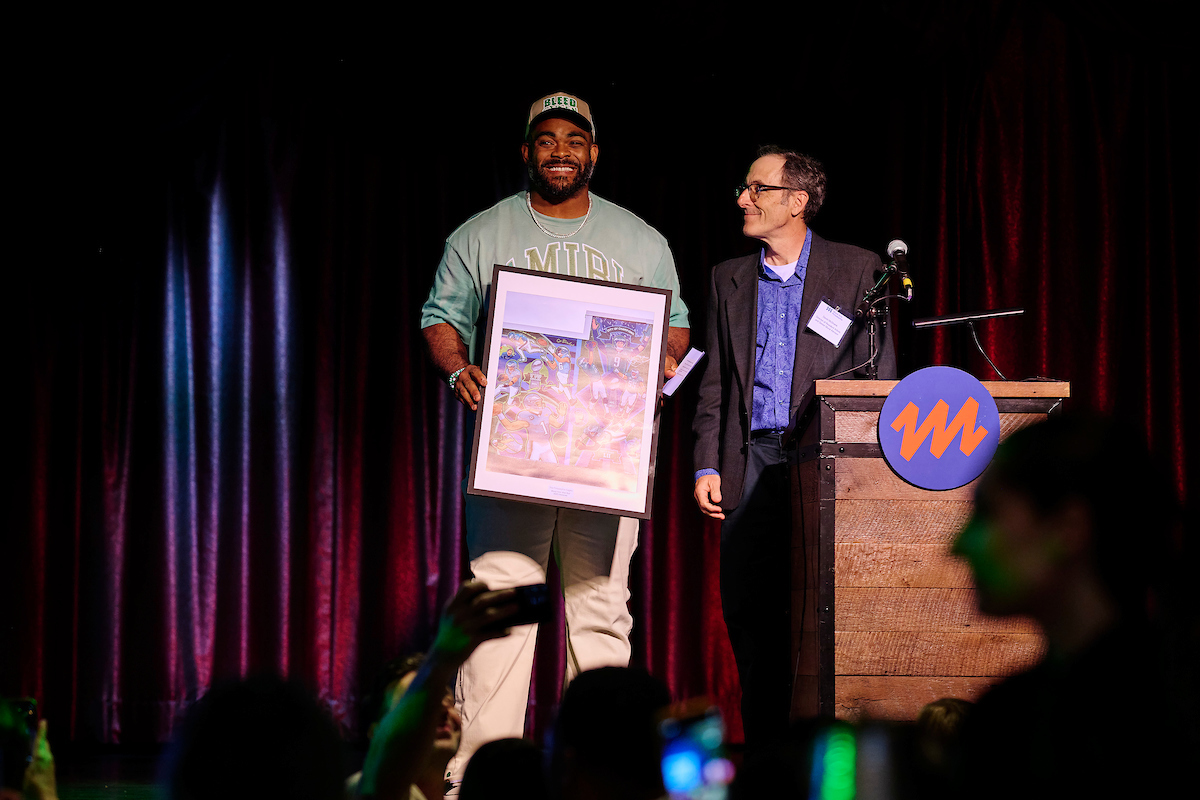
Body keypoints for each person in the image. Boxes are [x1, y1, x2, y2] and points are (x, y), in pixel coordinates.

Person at [420, 92, 690, 790]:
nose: (561, 151)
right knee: (504, 603)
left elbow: (676, 327)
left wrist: (659, 362)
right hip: (515, 452)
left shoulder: (641, 240)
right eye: (547, 140)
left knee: (601, 607)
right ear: (526, 152)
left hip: (606, 453)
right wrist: (457, 369)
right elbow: (441, 317)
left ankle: (606, 773)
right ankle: (481, 777)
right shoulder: (480, 233)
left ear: (594, 152)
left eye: (575, 139)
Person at [692, 146, 896, 748]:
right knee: (749, 611)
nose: (743, 199)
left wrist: (874, 473)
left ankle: (823, 752)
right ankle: (763, 756)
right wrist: (707, 462)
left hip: (824, 460)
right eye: (744, 188)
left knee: (822, 609)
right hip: (750, 461)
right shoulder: (728, 278)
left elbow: (879, 377)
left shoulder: (857, 270)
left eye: (757, 189)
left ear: (797, 201)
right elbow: (716, 383)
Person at [950, 414, 1195, 798]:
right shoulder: (1011, 712)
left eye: (988, 512)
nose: (958, 545)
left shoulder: (1163, 715)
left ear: (1068, 529)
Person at [355, 582, 522, 800]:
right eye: (425, 705)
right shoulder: (358, 789)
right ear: (376, 732)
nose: (442, 708)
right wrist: (441, 660)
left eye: (449, 701)